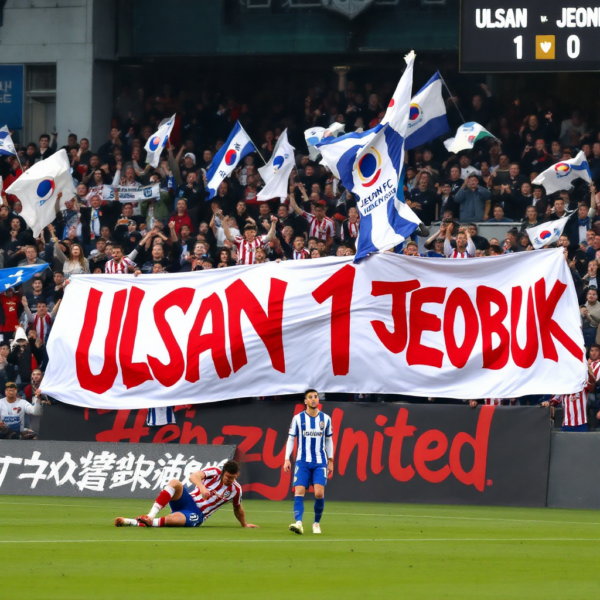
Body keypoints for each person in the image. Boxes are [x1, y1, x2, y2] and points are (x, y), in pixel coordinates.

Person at [115, 461, 258, 529]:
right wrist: (202, 488)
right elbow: (194, 476)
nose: (229, 480)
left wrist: (244, 524)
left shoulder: (235, 490)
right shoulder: (214, 472)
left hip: (198, 513)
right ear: (223, 472)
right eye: (227, 476)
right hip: (187, 500)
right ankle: (151, 516)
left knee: (173, 520)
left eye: (232, 478)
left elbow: (237, 508)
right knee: (175, 482)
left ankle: (132, 522)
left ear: (237, 475)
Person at [284, 388, 334, 535]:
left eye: (316, 397)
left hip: (319, 462)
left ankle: (316, 523)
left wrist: (330, 460)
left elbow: (328, 440)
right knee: (299, 491)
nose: (314, 399)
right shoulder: (298, 418)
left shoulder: (326, 419)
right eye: (310, 397)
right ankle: (298, 523)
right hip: (302, 461)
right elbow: (291, 438)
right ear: (305, 401)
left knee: (319, 493)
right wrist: (287, 458)